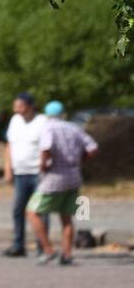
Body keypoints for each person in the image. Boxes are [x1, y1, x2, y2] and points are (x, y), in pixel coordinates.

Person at [27, 101, 98, 266]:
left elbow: (46, 148)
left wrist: (43, 165)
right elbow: (93, 147)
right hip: (73, 175)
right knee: (66, 217)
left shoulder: (48, 127)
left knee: (32, 212)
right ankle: (67, 254)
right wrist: (81, 160)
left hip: (54, 176)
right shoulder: (73, 127)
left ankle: (47, 249)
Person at [2, 92, 49, 257]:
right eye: (16, 107)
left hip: (38, 173)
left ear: (30, 106)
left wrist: (45, 166)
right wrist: (8, 168)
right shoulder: (15, 121)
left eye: (21, 106)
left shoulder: (42, 121)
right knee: (18, 210)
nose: (17, 110)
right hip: (20, 173)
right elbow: (9, 145)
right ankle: (18, 244)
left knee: (40, 210)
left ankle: (43, 246)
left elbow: (47, 146)